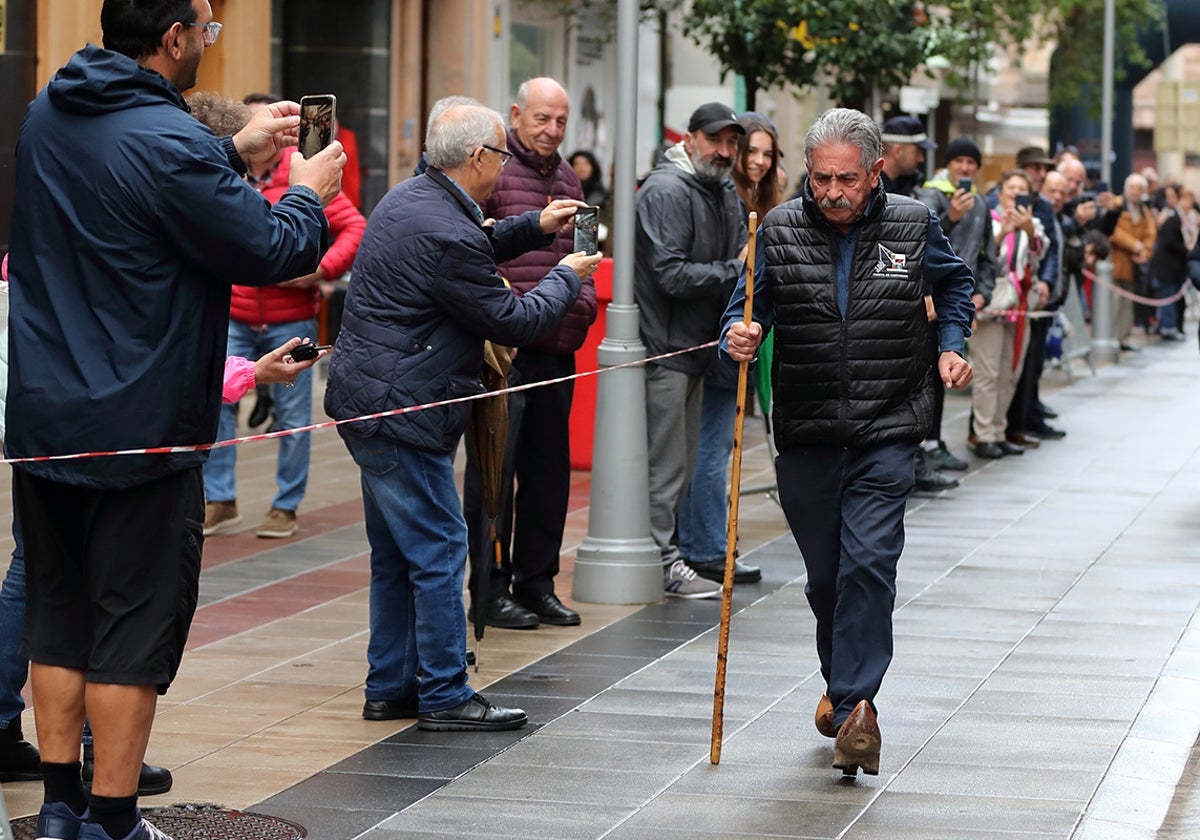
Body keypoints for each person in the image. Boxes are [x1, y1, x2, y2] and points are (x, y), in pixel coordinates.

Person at [5, 0, 346, 837]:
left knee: (58, 617)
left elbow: (138, 188)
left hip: (49, 417)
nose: (208, 43)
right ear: (173, 38)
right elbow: (271, 250)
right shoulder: (169, 141)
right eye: (205, 29)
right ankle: (115, 820)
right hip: (141, 425)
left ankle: (58, 811)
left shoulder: (52, 110)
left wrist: (231, 151)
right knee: (129, 630)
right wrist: (303, 192)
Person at [323, 98, 599, 729]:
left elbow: (475, 243)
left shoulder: (414, 197)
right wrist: (566, 273)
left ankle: (390, 685)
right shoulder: (443, 227)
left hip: (373, 400)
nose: (504, 166)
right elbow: (514, 318)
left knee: (398, 551)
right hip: (400, 409)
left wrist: (535, 223)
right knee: (443, 544)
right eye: (500, 154)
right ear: (478, 157)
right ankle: (446, 692)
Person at [724, 108, 975, 777]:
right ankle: (841, 690)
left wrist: (951, 346)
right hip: (806, 429)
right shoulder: (775, 228)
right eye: (821, 177)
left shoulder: (914, 223)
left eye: (846, 179)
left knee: (870, 563)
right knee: (827, 579)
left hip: (888, 425)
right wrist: (739, 334)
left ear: (875, 172)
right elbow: (745, 304)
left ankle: (859, 708)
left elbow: (955, 285)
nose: (832, 191)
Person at [461, 78, 598, 630]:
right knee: (495, 475)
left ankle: (535, 583)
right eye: (543, 118)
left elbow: (585, 253)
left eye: (561, 121)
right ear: (517, 114)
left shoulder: (567, 176)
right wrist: (507, 314)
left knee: (548, 475)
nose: (552, 130)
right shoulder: (493, 169)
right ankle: (488, 590)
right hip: (506, 352)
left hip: (556, 349)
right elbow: (475, 251)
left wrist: (582, 307)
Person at [202, 95, 366, 540]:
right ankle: (219, 499)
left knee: (294, 418)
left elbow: (355, 226)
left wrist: (321, 271)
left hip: (291, 318)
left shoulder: (303, 173)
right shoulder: (223, 172)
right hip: (233, 316)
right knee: (217, 404)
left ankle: (285, 505)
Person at [635, 102, 750, 599]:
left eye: (731, 143)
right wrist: (736, 269)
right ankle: (660, 562)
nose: (724, 152)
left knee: (680, 463)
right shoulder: (666, 189)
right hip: (667, 346)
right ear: (689, 139)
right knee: (666, 466)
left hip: (697, 346)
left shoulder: (719, 187)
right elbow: (671, 274)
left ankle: (667, 556)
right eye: (715, 141)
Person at [675, 111, 779, 585]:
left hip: (746, 334)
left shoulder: (759, 201)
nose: (756, 161)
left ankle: (713, 542)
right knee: (710, 447)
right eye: (748, 150)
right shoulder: (720, 194)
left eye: (765, 152)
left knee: (721, 442)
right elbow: (699, 269)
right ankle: (707, 547)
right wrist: (738, 268)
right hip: (713, 337)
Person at [879, 116, 958, 492]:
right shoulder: (875, 190)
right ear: (897, 150)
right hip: (881, 311)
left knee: (915, 386)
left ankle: (911, 462)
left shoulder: (913, 190)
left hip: (912, 310)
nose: (920, 159)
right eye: (915, 150)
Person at [917, 135, 996, 472]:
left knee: (949, 369)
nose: (964, 168)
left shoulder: (980, 204)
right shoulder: (928, 195)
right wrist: (949, 216)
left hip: (961, 299)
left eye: (971, 163)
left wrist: (982, 293)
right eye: (958, 161)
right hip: (929, 299)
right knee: (925, 373)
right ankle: (922, 445)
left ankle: (934, 441)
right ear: (947, 164)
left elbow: (987, 256)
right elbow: (920, 242)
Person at [971, 170, 1048, 459]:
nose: (1016, 192)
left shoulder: (1034, 224)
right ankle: (983, 434)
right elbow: (983, 256)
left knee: (1009, 372)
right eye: (1011, 187)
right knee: (987, 371)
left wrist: (1027, 229)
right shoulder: (986, 219)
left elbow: (1038, 256)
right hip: (992, 302)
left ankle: (999, 431)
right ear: (1000, 192)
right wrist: (1003, 230)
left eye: (1022, 188)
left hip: (1020, 305)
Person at [1108, 173, 1157, 352]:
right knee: (1114, 302)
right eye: (1132, 188)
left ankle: (1124, 337)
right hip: (1116, 262)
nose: (1135, 192)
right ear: (1126, 188)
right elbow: (1114, 231)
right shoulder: (1117, 206)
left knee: (1128, 303)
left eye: (1139, 188)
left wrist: (1145, 252)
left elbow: (1151, 234)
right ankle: (1111, 337)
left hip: (1134, 266)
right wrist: (1135, 245)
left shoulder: (1144, 211)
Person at [1150, 185, 1196, 342]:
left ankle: (1173, 326)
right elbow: (1168, 242)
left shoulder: (1184, 217)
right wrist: (1186, 248)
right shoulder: (1172, 218)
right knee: (1168, 295)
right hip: (1168, 266)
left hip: (1177, 267)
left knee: (1174, 296)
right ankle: (1168, 327)